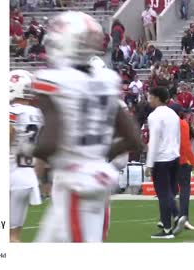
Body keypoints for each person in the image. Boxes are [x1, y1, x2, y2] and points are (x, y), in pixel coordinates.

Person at [32, 11, 142, 242]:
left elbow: (49, 142)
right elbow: (134, 139)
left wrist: (25, 151)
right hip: (95, 177)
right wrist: (96, 155)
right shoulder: (107, 80)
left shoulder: (55, 80)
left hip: (75, 183)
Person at [145, 86, 187, 239]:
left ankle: (172, 222)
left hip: (161, 159)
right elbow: (177, 137)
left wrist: (149, 164)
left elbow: (154, 140)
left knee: (163, 194)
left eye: (150, 96)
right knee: (169, 192)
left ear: (156, 97)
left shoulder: (154, 116)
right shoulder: (173, 114)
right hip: (173, 157)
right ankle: (172, 222)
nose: (149, 98)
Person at [9, 69, 43, 242]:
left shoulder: (12, 110)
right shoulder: (37, 113)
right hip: (26, 175)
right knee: (14, 235)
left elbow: (8, 134)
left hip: (11, 174)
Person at [169, 103, 194, 231]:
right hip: (181, 161)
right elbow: (185, 145)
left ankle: (165, 217)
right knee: (185, 190)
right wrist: (193, 161)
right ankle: (183, 217)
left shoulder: (166, 124)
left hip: (167, 160)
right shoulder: (182, 124)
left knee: (169, 191)